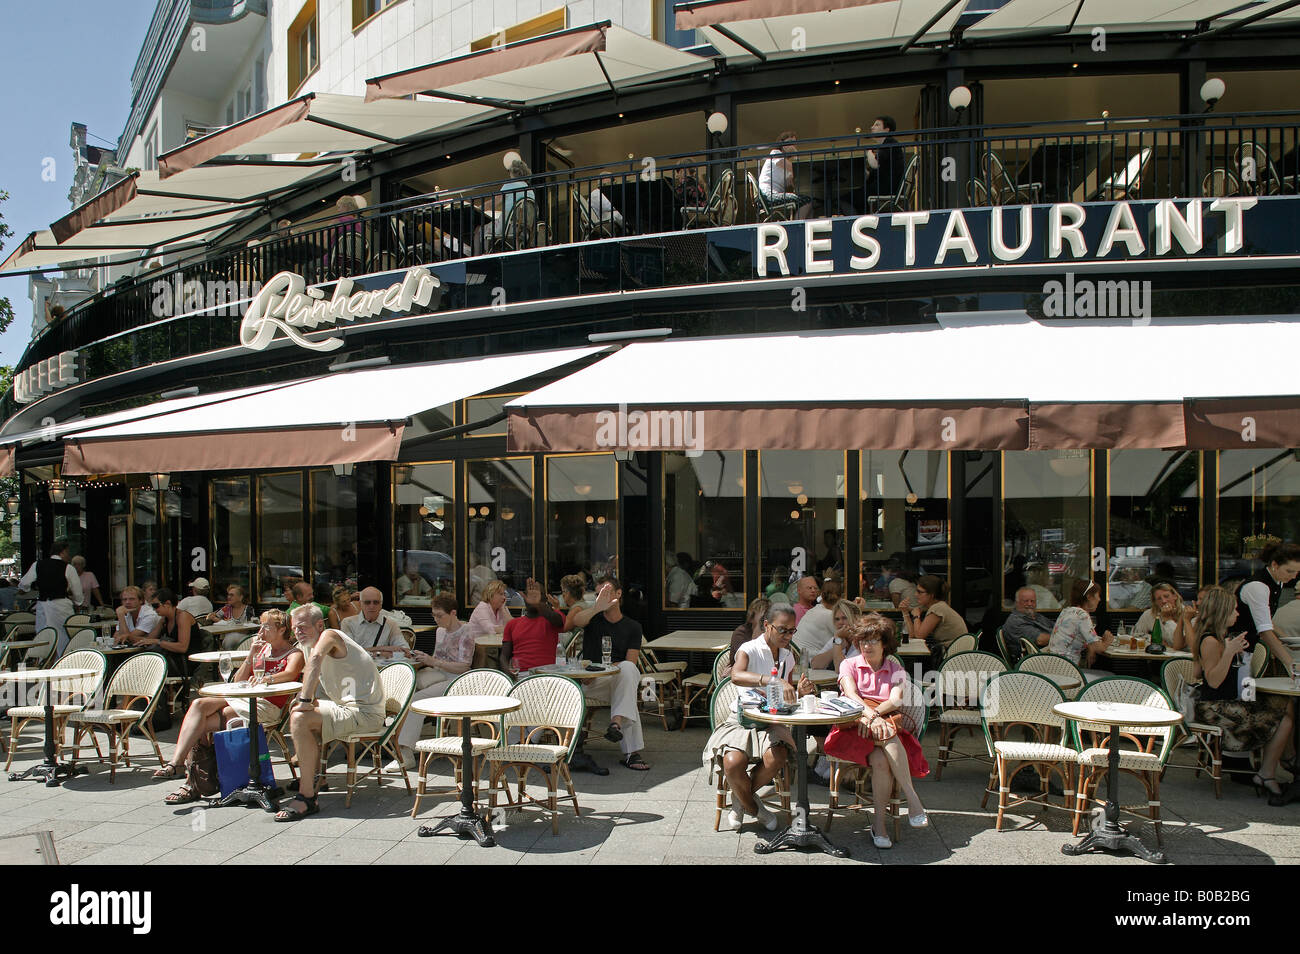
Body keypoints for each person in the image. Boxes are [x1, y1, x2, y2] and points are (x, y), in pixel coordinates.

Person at [152, 610, 303, 804]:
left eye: (266, 626)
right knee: (198, 705)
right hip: (244, 697)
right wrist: (251, 655)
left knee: (202, 724)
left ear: (282, 629)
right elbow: (238, 680)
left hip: (266, 705)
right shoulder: (262, 650)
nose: (261, 631)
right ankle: (177, 763)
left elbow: (291, 674)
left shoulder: (293, 653)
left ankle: (190, 783)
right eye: (261, 626)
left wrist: (268, 679)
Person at [702, 604, 815, 831]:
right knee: (732, 763)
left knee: (777, 757)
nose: (787, 636)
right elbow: (736, 675)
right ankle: (755, 808)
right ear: (766, 625)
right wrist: (770, 680)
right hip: (743, 719)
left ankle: (740, 801)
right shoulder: (749, 648)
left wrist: (799, 692)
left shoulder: (788, 657)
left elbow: (787, 696)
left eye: (792, 631)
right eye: (782, 630)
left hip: (772, 721)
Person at [823, 614, 929, 848]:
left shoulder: (895, 667)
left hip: (881, 722)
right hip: (853, 726)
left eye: (872, 641)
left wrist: (876, 717)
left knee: (881, 760)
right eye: (862, 641)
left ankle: (879, 825)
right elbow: (851, 695)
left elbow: (896, 700)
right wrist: (871, 717)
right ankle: (913, 799)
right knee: (888, 734)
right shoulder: (848, 664)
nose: (866, 646)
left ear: (885, 644)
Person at [276, 604, 385, 821]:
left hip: (365, 713)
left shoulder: (330, 635)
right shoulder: (308, 644)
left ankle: (307, 797)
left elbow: (315, 662)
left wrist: (306, 701)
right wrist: (304, 702)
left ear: (319, 624)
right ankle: (317, 778)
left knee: (300, 718)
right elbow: (316, 678)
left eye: (302, 627)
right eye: (294, 628)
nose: (297, 632)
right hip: (346, 708)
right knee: (297, 711)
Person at [1191, 586, 1294, 803]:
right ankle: (1267, 774)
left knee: (1283, 705)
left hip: (1221, 704)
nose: (1237, 614)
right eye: (1234, 610)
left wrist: (1231, 652)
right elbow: (1213, 680)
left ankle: (1269, 770)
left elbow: (1196, 671)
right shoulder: (1211, 641)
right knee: (1284, 719)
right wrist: (1228, 653)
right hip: (1215, 709)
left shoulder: (1217, 638)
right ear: (1222, 613)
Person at [569, 579, 652, 771]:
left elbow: (630, 663)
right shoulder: (593, 620)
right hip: (591, 683)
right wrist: (597, 607)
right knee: (627, 692)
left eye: (606, 593)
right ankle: (631, 753)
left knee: (629, 672)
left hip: (616, 680)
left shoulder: (633, 627)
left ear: (619, 594)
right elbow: (576, 621)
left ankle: (616, 723)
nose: (602, 598)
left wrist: (610, 667)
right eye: (598, 594)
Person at [391, 593, 476, 769]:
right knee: (402, 690)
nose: (436, 619)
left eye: (440, 615)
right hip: (437, 675)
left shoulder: (466, 632)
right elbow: (437, 658)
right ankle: (395, 743)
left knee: (416, 700)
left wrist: (433, 661)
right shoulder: (439, 631)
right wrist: (423, 658)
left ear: (453, 613)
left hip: (457, 681)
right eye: (434, 615)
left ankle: (405, 752)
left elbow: (464, 667)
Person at [1235, 541, 1299, 673]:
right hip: (1235, 652)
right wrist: (1291, 665)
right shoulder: (1258, 587)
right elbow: (1265, 631)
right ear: (1274, 564)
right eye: (1289, 571)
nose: (1294, 576)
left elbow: (1266, 619)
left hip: (1247, 649)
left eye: (1297, 572)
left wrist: (1287, 639)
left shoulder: (1278, 581)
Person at [18, 538, 83, 655]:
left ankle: (44, 661)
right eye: (68, 552)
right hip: (61, 605)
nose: (69, 555)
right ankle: (63, 661)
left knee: (43, 635)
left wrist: (24, 590)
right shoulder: (68, 568)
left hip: (43, 604)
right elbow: (77, 592)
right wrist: (78, 602)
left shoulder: (37, 565)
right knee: (63, 636)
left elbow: (24, 583)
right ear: (62, 552)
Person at [145, 588, 204, 706]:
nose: (154, 609)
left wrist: (158, 642)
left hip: (186, 661)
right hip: (173, 659)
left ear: (167, 603)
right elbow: (148, 640)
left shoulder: (182, 617)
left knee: (148, 667)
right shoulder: (165, 619)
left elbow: (183, 647)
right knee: (142, 665)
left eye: (156, 606)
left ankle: (152, 706)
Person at [501, 577, 565, 675]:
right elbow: (504, 657)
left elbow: (559, 622)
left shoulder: (552, 618)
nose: (532, 597)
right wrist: (509, 673)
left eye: (536, 595)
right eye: (529, 595)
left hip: (545, 675)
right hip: (520, 675)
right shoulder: (513, 624)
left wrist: (538, 604)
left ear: (543, 599)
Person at [1048, 579, 1114, 672]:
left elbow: (1076, 637)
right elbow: (1099, 648)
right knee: (1108, 675)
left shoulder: (1067, 610)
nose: (1099, 599)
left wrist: (1090, 646)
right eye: (1098, 595)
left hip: (1053, 666)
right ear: (1089, 597)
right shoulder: (1082, 615)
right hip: (1066, 671)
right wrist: (1107, 640)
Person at [475, 158, 536, 253]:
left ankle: (479, 257)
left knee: (479, 230)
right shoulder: (530, 191)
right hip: (525, 231)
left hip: (508, 227)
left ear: (512, 173)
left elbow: (495, 202)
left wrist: (479, 207)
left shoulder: (510, 185)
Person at [757, 131, 812, 219]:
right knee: (806, 201)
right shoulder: (775, 153)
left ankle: (802, 225)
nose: (792, 145)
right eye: (790, 142)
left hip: (771, 196)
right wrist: (796, 155)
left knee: (805, 201)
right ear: (782, 144)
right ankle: (797, 226)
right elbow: (792, 167)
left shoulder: (785, 164)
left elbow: (791, 184)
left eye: (794, 143)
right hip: (767, 196)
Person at [341, 587, 408, 655]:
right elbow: (349, 651)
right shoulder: (347, 623)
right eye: (367, 602)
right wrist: (383, 649)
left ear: (381, 605)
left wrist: (370, 651)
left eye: (376, 602)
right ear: (361, 604)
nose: (371, 606)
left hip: (382, 665)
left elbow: (404, 649)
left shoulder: (391, 624)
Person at [1133, 582, 1197, 650]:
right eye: (1159, 599)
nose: (1163, 601)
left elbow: (1177, 644)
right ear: (1155, 602)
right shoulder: (1149, 614)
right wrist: (1155, 640)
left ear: (1175, 596)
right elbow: (1136, 635)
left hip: (1182, 657)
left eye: (1166, 596)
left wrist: (1168, 619)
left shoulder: (1188, 613)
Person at [1002, 587, 1054, 664]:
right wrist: (1062, 637)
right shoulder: (1015, 622)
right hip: (1032, 662)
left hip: (1048, 653)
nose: (1030, 604)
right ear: (1017, 603)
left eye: (1032, 601)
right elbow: (1040, 640)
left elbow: (1055, 626)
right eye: (1026, 601)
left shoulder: (1036, 616)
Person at [794, 578, 841, 661]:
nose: (813, 590)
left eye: (815, 588)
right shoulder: (829, 615)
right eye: (809, 588)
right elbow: (846, 638)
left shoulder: (813, 610)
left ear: (821, 595)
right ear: (840, 598)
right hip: (809, 660)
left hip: (797, 655)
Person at [810, 599, 863, 671]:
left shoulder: (862, 640)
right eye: (837, 619)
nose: (840, 622)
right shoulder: (838, 638)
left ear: (856, 619)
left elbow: (841, 669)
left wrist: (837, 641)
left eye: (844, 618)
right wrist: (838, 645)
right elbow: (814, 664)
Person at [727, 598, 771, 676]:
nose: (766, 617)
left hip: (765, 677)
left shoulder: (771, 632)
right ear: (752, 616)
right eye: (764, 614)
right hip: (740, 680)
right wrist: (758, 631)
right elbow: (753, 662)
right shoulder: (741, 633)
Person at [865, 115, 903, 203]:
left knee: (849, 197)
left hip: (887, 188)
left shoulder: (890, 142)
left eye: (877, 125)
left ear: (886, 130)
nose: (872, 127)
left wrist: (868, 151)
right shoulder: (886, 146)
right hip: (886, 187)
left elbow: (875, 164)